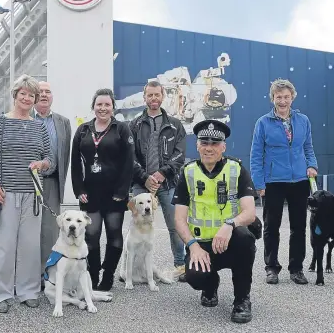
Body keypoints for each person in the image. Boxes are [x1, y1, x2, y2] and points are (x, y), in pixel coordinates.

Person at [0, 74, 55, 313]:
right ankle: (0, 294)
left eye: (31, 95)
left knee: (30, 246)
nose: (26, 97)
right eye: (22, 93)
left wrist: (42, 165)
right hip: (5, 193)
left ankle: (28, 291)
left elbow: (50, 160)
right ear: (15, 95)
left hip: (33, 195)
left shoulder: (39, 126)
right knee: (5, 246)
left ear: (35, 99)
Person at [173, 120, 257, 324]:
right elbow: (179, 219)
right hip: (201, 244)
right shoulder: (187, 172)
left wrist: (230, 225)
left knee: (246, 239)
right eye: (204, 142)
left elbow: (250, 213)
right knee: (194, 277)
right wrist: (192, 246)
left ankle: (241, 300)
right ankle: (210, 286)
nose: (209, 148)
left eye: (215, 143)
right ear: (198, 145)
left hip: (229, 240)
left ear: (223, 147)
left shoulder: (237, 170)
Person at [250, 78, 318, 285]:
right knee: (272, 226)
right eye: (278, 97)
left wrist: (312, 165)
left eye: (286, 97)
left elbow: (308, 147)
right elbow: (256, 155)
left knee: (299, 226)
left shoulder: (303, 120)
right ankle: (272, 268)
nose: (282, 101)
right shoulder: (263, 123)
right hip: (273, 182)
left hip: (299, 180)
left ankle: (296, 268)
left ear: (292, 98)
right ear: (273, 99)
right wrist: (259, 183)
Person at [71, 88, 134, 291]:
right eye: (99, 104)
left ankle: (108, 276)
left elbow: (129, 162)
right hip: (90, 194)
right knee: (91, 235)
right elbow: (75, 163)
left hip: (115, 194)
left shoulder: (122, 129)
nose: (103, 108)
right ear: (93, 106)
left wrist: (122, 191)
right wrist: (78, 189)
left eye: (107, 104)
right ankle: (92, 274)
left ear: (113, 107)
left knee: (114, 233)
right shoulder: (82, 131)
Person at [129, 80, 187, 279]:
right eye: (150, 95)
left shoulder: (175, 125)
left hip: (168, 183)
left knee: (176, 226)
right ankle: (134, 270)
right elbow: (130, 157)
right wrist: (145, 178)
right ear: (144, 97)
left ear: (163, 96)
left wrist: (162, 173)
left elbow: (180, 154)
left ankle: (181, 265)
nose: (153, 98)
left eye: (157, 95)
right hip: (141, 185)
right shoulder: (134, 124)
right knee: (137, 226)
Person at [33, 81, 72, 284]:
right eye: (40, 92)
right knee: (29, 231)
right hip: (28, 184)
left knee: (50, 232)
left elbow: (65, 155)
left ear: (52, 96)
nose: (44, 95)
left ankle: (47, 274)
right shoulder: (24, 118)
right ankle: (27, 276)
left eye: (48, 91)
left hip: (52, 182)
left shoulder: (63, 122)